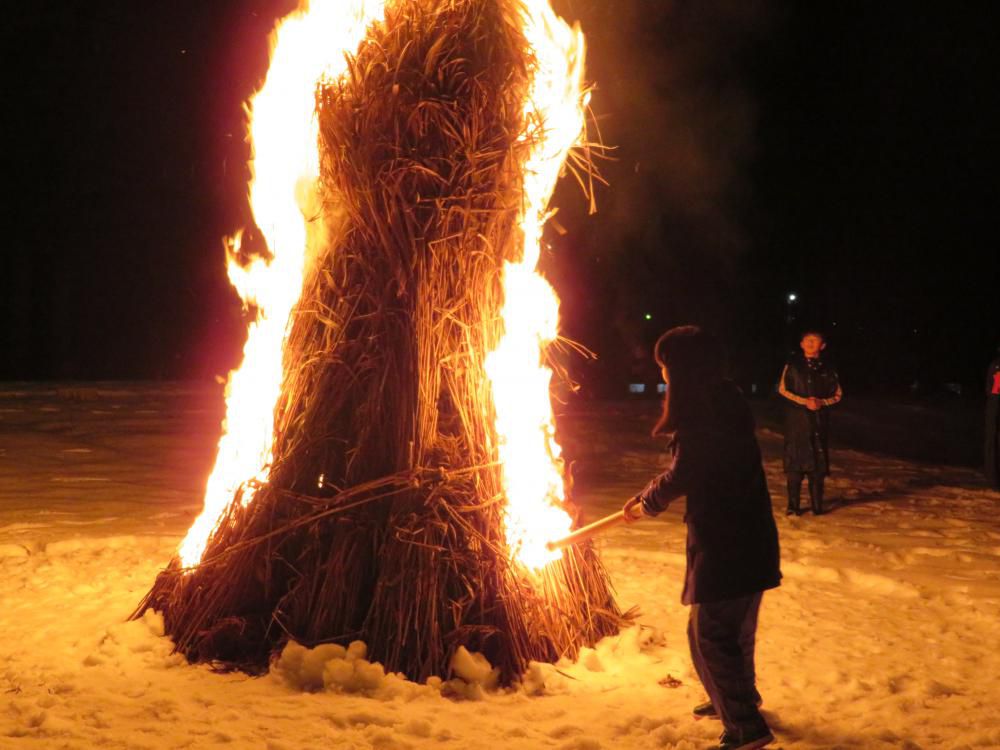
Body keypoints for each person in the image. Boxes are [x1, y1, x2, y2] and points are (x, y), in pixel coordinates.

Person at [623, 326, 781, 750]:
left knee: (708, 634)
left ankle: (745, 725)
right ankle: (733, 699)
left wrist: (648, 502)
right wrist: (647, 497)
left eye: (666, 368)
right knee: (732, 632)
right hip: (750, 536)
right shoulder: (726, 398)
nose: (663, 378)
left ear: (683, 368)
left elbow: (686, 471)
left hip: (728, 539)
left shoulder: (703, 410)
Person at [777, 330, 842, 515]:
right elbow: (782, 390)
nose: (811, 343)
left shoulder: (828, 369)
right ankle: (793, 506)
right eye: (807, 340)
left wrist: (822, 402)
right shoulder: (792, 366)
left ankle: (817, 506)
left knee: (817, 466)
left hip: (819, 422)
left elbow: (837, 394)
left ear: (822, 346)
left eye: (815, 340)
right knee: (794, 464)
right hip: (796, 422)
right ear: (801, 344)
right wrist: (804, 402)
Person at [985, 346, 1000, 490]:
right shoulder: (995, 364)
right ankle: (992, 477)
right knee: (991, 441)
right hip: (994, 406)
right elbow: (990, 388)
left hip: (995, 405)